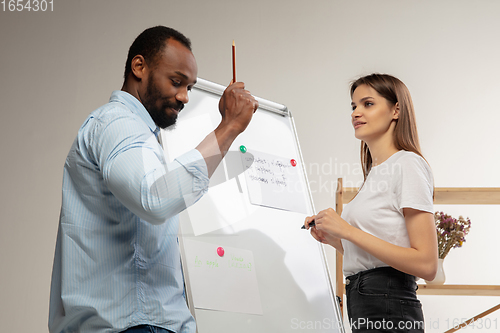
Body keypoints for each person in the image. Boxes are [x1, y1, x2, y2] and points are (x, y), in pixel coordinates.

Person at [48, 26, 258, 333]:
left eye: (189, 87)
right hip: (132, 326)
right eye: (176, 81)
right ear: (139, 67)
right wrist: (229, 127)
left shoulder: (146, 138)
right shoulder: (117, 123)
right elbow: (155, 198)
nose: (184, 96)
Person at [304, 74, 437, 332]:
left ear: (396, 110)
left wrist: (347, 231)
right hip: (368, 301)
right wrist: (336, 240)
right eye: (353, 106)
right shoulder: (376, 174)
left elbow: (427, 264)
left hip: (387, 304)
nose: (356, 113)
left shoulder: (407, 164)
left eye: (367, 104)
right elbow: (380, 253)